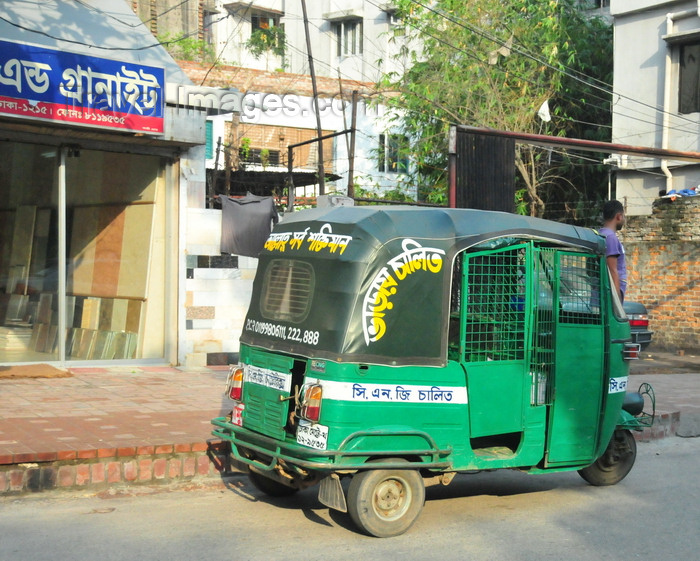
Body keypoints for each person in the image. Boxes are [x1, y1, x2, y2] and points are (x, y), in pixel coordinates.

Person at [600, 199, 627, 302]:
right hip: (609, 299)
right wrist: (617, 301)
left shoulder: (600, 234)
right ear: (619, 216)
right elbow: (612, 270)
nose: (623, 220)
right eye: (623, 216)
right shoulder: (610, 238)